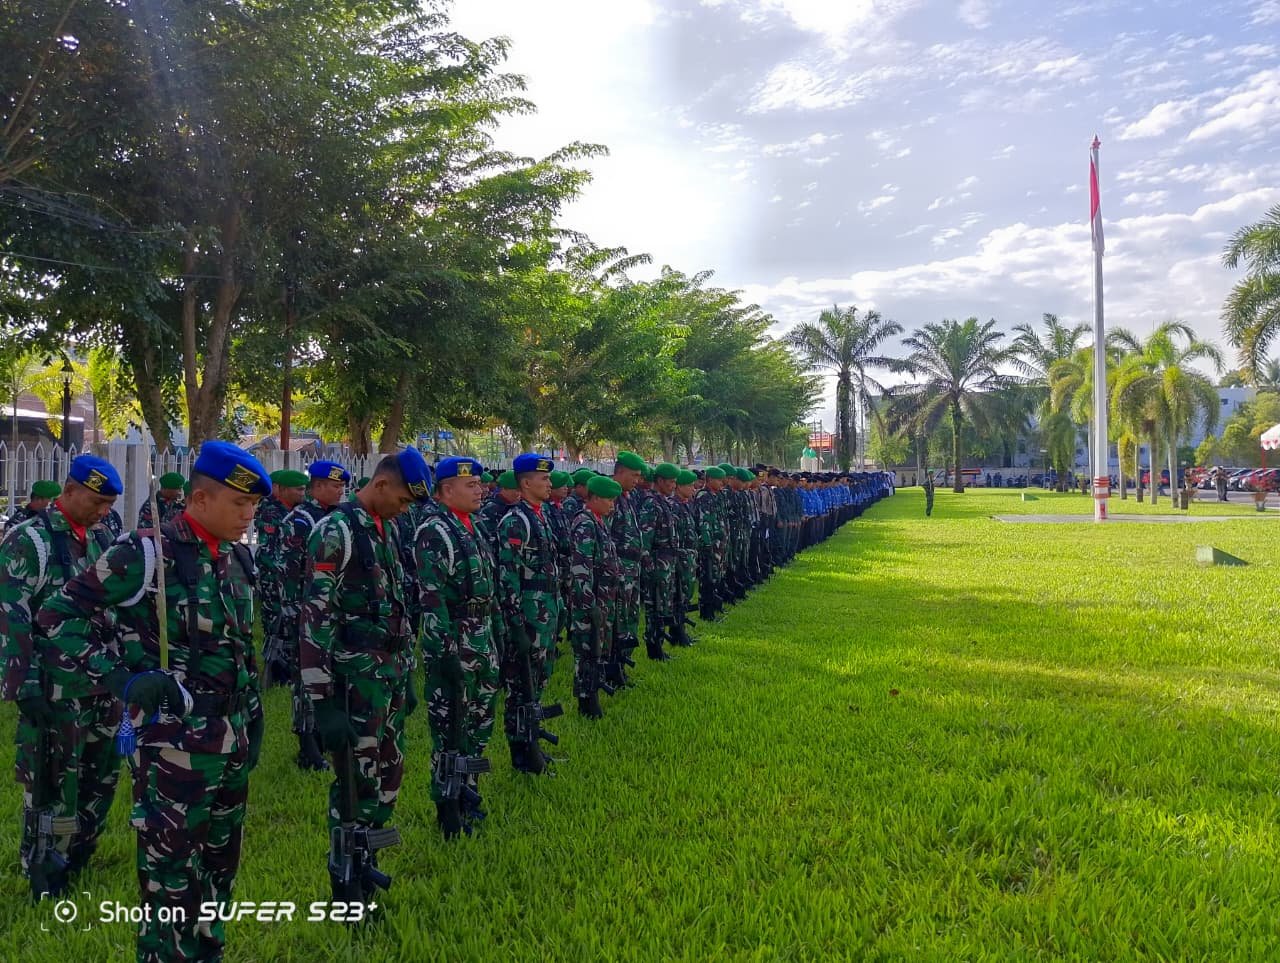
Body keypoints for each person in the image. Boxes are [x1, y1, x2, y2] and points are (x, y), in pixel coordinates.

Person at [39, 442, 270, 962]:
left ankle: (207, 949)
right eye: (239, 503)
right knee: (171, 874)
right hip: (173, 744)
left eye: (254, 505)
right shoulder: (146, 555)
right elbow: (57, 616)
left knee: (220, 865)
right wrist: (121, 678)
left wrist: (253, 715)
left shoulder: (236, 557)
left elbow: (239, 645)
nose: (248, 515)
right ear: (200, 499)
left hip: (230, 736)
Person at [301, 448, 431, 904]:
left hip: (386, 677)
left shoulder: (385, 528)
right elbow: (315, 619)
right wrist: (322, 702)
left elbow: (397, 606)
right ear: (380, 485)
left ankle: (368, 858)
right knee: (355, 783)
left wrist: (407, 673)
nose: (405, 509)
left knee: (388, 774)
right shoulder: (335, 531)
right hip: (353, 683)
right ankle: (346, 881)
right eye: (403, 499)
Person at [1, 456, 120, 898]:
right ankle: (44, 867)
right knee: (52, 780)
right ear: (68, 492)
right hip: (54, 687)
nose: (102, 512)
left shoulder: (103, 539)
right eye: (96, 502)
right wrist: (24, 685)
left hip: (102, 682)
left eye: (108, 505)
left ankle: (80, 855)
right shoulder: (30, 540)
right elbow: (11, 616)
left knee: (101, 775)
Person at [415, 456, 502, 839]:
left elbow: (488, 588)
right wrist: (444, 655)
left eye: (480, 484)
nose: (480, 490)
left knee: (479, 722)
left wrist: (498, 633)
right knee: (450, 727)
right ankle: (447, 805)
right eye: (471, 485)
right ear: (447, 490)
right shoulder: (435, 532)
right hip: (455, 642)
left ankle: (469, 789)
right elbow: (432, 600)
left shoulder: (473, 526)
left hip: (481, 637)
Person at [276, 460, 349, 771]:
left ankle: (324, 736)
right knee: (306, 680)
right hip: (304, 612)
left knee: (330, 675)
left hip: (333, 613)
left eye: (342, 486)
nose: (340, 491)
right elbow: (288, 572)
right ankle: (307, 746)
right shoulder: (299, 521)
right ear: (316, 487)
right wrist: (295, 613)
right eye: (334, 485)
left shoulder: (338, 518)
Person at [495, 454, 564, 774]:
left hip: (546, 611)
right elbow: (507, 576)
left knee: (538, 680)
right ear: (525, 483)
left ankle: (533, 743)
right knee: (521, 685)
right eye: (543, 479)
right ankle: (522, 753)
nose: (550, 484)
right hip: (528, 615)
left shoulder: (541, 515)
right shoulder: (515, 521)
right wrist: (515, 623)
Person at [568, 475, 623, 719]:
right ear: (596, 498)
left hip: (603, 597)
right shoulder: (585, 524)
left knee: (599, 647)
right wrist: (589, 604)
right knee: (587, 650)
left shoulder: (598, 521)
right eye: (609, 499)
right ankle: (586, 701)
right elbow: (582, 568)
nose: (612, 504)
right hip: (590, 600)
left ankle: (592, 695)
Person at [254, 468, 307, 684]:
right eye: (298, 490)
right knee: (274, 623)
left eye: (304, 489)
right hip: (273, 578)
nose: (303, 494)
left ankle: (289, 669)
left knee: (290, 624)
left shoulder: (299, 512)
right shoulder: (271, 513)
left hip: (290, 578)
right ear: (282, 490)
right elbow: (269, 551)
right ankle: (274, 672)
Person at [607, 451, 647, 685]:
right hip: (620, 570)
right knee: (618, 621)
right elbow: (606, 539)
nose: (637, 480)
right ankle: (612, 669)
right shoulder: (609, 498)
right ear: (620, 472)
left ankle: (622, 665)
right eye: (634, 475)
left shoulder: (627, 497)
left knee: (630, 617)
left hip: (632, 569)